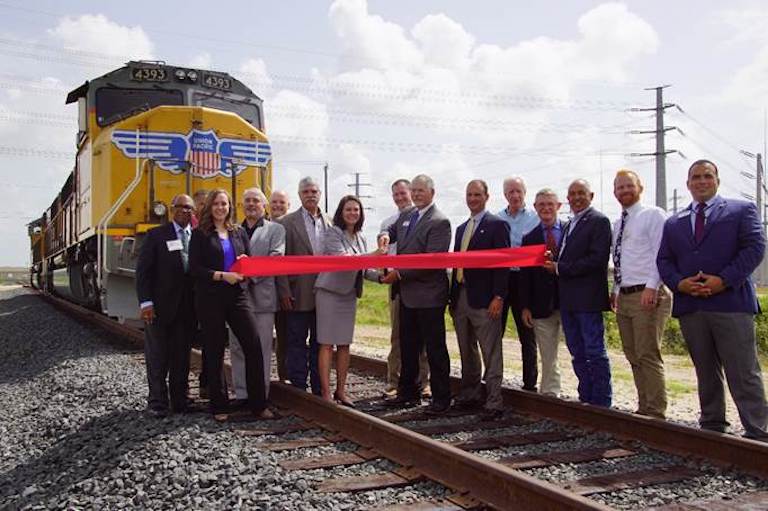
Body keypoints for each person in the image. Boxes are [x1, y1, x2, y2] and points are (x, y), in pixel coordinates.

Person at [657, 160, 768, 440]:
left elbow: (755, 248)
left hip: (730, 304)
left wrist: (724, 280)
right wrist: (680, 283)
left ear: (717, 180)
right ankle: (712, 425)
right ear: (688, 183)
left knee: (742, 371)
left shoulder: (741, 211)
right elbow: (664, 260)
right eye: (696, 177)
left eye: (707, 176)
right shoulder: (674, 222)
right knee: (705, 371)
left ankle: (759, 431)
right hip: (692, 306)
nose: (701, 181)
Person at [189, 189, 271, 420]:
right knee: (214, 350)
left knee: (253, 346)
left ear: (229, 207)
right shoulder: (200, 234)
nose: (220, 208)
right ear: (209, 207)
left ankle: (259, 405)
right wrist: (222, 275)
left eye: (224, 204)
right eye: (216, 204)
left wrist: (246, 263)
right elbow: (195, 269)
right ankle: (219, 406)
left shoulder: (239, 232)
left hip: (237, 296)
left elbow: (248, 261)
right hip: (210, 298)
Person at [381, 174, 452, 414]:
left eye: (421, 190)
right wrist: (385, 235)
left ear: (432, 192)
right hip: (408, 296)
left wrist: (398, 274)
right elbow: (392, 228)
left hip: (430, 297)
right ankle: (407, 393)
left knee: (434, 349)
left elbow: (431, 261)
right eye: (415, 190)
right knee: (408, 347)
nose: (417, 194)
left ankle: (441, 398)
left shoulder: (440, 221)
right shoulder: (409, 216)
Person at [545, 179, 612, 407]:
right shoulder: (570, 224)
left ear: (591, 196)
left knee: (594, 350)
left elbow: (596, 259)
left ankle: (602, 400)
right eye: (572, 194)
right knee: (577, 351)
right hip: (569, 299)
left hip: (588, 298)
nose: (576, 197)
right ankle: (586, 396)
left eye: (581, 193)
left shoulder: (599, 221)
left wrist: (559, 268)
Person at [611, 170, 671, 419]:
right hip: (624, 294)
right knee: (632, 353)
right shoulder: (618, 223)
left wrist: (652, 286)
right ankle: (643, 406)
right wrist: (615, 290)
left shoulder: (653, 215)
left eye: (628, 186)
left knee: (647, 353)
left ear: (640, 187)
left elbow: (661, 253)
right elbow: (620, 260)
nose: (624, 191)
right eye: (619, 187)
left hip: (647, 293)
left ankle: (656, 411)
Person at [449, 180, 510, 420]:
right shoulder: (461, 229)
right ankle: (470, 394)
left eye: (477, 194)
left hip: (486, 300)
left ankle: (494, 401)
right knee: (467, 351)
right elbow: (455, 264)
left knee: (491, 352)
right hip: (461, 296)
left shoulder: (497, 225)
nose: (472, 198)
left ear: (486, 196)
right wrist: (452, 298)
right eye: (469, 194)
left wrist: (499, 296)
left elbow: (502, 264)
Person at [315, 196, 382, 405]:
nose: (352, 213)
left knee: (345, 344)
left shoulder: (361, 237)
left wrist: (381, 277)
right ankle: (326, 392)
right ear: (341, 212)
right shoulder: (332, 233)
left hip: (348, 295)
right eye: (348, 209)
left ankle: (341, 391)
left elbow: (362, 268)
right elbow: (344, 261)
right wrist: (374, 254)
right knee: (326, 344)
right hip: (329, 293)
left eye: (356, 210)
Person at [136, 194, 197, 417]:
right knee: (158, 356)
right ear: (172, 210)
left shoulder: (197, 237)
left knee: (181, 357)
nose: (185, 211)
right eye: (180, 207)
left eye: (189, 208)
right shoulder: (156, 236)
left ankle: (180, 400)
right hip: (159, 308)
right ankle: (157, 402)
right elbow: (143, 273)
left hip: (187, 309)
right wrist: (146, 303)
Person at [228, 187, 285, 407]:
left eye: (255, 201)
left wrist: (248, 277)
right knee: (237, 347)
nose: (251, 204)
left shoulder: (276, 230)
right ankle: (242, 394)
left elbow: (275, 259)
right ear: (242, 206)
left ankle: (260, 395)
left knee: (261, 347)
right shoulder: (231, 231)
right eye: (247, 201)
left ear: (264, 205)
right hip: (235, 299)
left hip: (262, 298)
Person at [276, 177, 332, 395]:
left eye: (314, 191)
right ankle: (299, 385)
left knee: (321, 342)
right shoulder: (286, 223)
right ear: (299, 195)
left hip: (325, 294)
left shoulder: (330, 222)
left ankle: (319, 386)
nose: (311, 194)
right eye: (306, 191)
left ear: (320, 194)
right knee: (296, 341)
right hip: (297, 293)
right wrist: (283, 291)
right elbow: (279, 261)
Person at [379, 178, 429, 398]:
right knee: (397, 335)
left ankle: (425, 382)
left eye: (403, 193)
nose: (400, 198)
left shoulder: (424, 219)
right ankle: (394, 381)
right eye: (396, 195)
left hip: (421, 283)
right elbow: (383, 253)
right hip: (397, 283)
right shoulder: (388, 223)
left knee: (423, 337)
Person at [520, 189, 565, 397]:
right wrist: (525, 306)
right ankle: (550, 394)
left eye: (550, 204)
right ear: (535, 208)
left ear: (558, 206)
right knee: (548, 354)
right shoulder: (530, 238)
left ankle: (589, 397)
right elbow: (525, 276)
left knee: (580, 351)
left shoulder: (569, 231)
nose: (546, 208)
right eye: (541, 205)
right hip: (540, 305)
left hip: (569, 302)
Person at [498, 177, 540, 391]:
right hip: (502, 279)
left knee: (527, 331)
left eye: (518, 191)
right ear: (505, 194)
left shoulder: (535, 218)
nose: (514, 195)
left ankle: (530, 382)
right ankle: (495, 379)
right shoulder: (497, 219)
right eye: (510, 192)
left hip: (525, 279)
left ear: (524, 192)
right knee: (496, 331)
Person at [268, 189, 291, 381]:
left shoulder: (291, 226)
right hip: (265, 292)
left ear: (288, 206)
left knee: (285, 337)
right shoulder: (263, 227)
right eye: (274, 202)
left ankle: (285, 375)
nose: (277, 206)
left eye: (281, 202)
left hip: (287, 292)